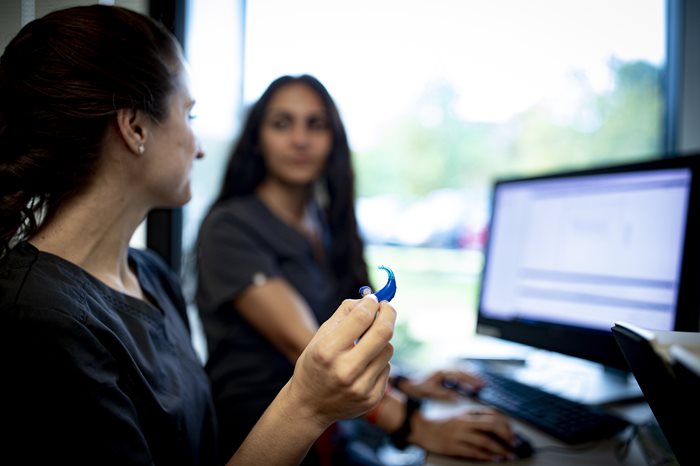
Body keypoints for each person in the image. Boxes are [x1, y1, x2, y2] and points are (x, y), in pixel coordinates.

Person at [0, 6, 396, 466]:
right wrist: (305, 405)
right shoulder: (38, 321)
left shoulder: (151, 276)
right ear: (134, 127)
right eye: (189, 114)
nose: (201, 146)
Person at [195, 74, 517, 464]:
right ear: (257, 140)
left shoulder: (326, 224)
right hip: (262, 440)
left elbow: (349, 341)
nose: (300, 139)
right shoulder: (230, 227)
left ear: (333, 140)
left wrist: (402, 382)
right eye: (282, 124)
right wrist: (418, 427)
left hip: (334, 432)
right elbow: (312, 348)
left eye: (316, 124)